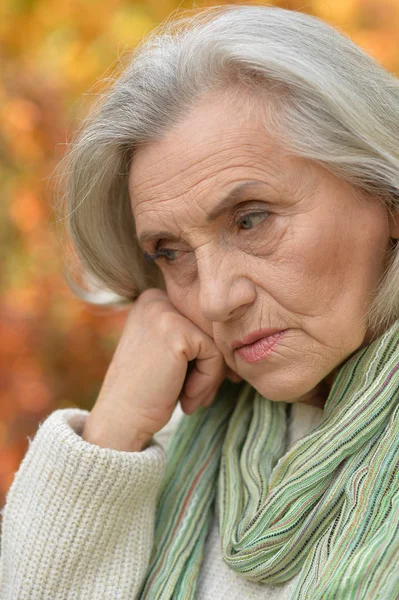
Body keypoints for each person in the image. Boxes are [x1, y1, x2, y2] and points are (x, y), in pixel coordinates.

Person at [1, 3, 399, 598]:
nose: (215, 299)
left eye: (251, 219)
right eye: (169, 251)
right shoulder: (175, 449)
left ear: (386, 194)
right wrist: (112, 434)